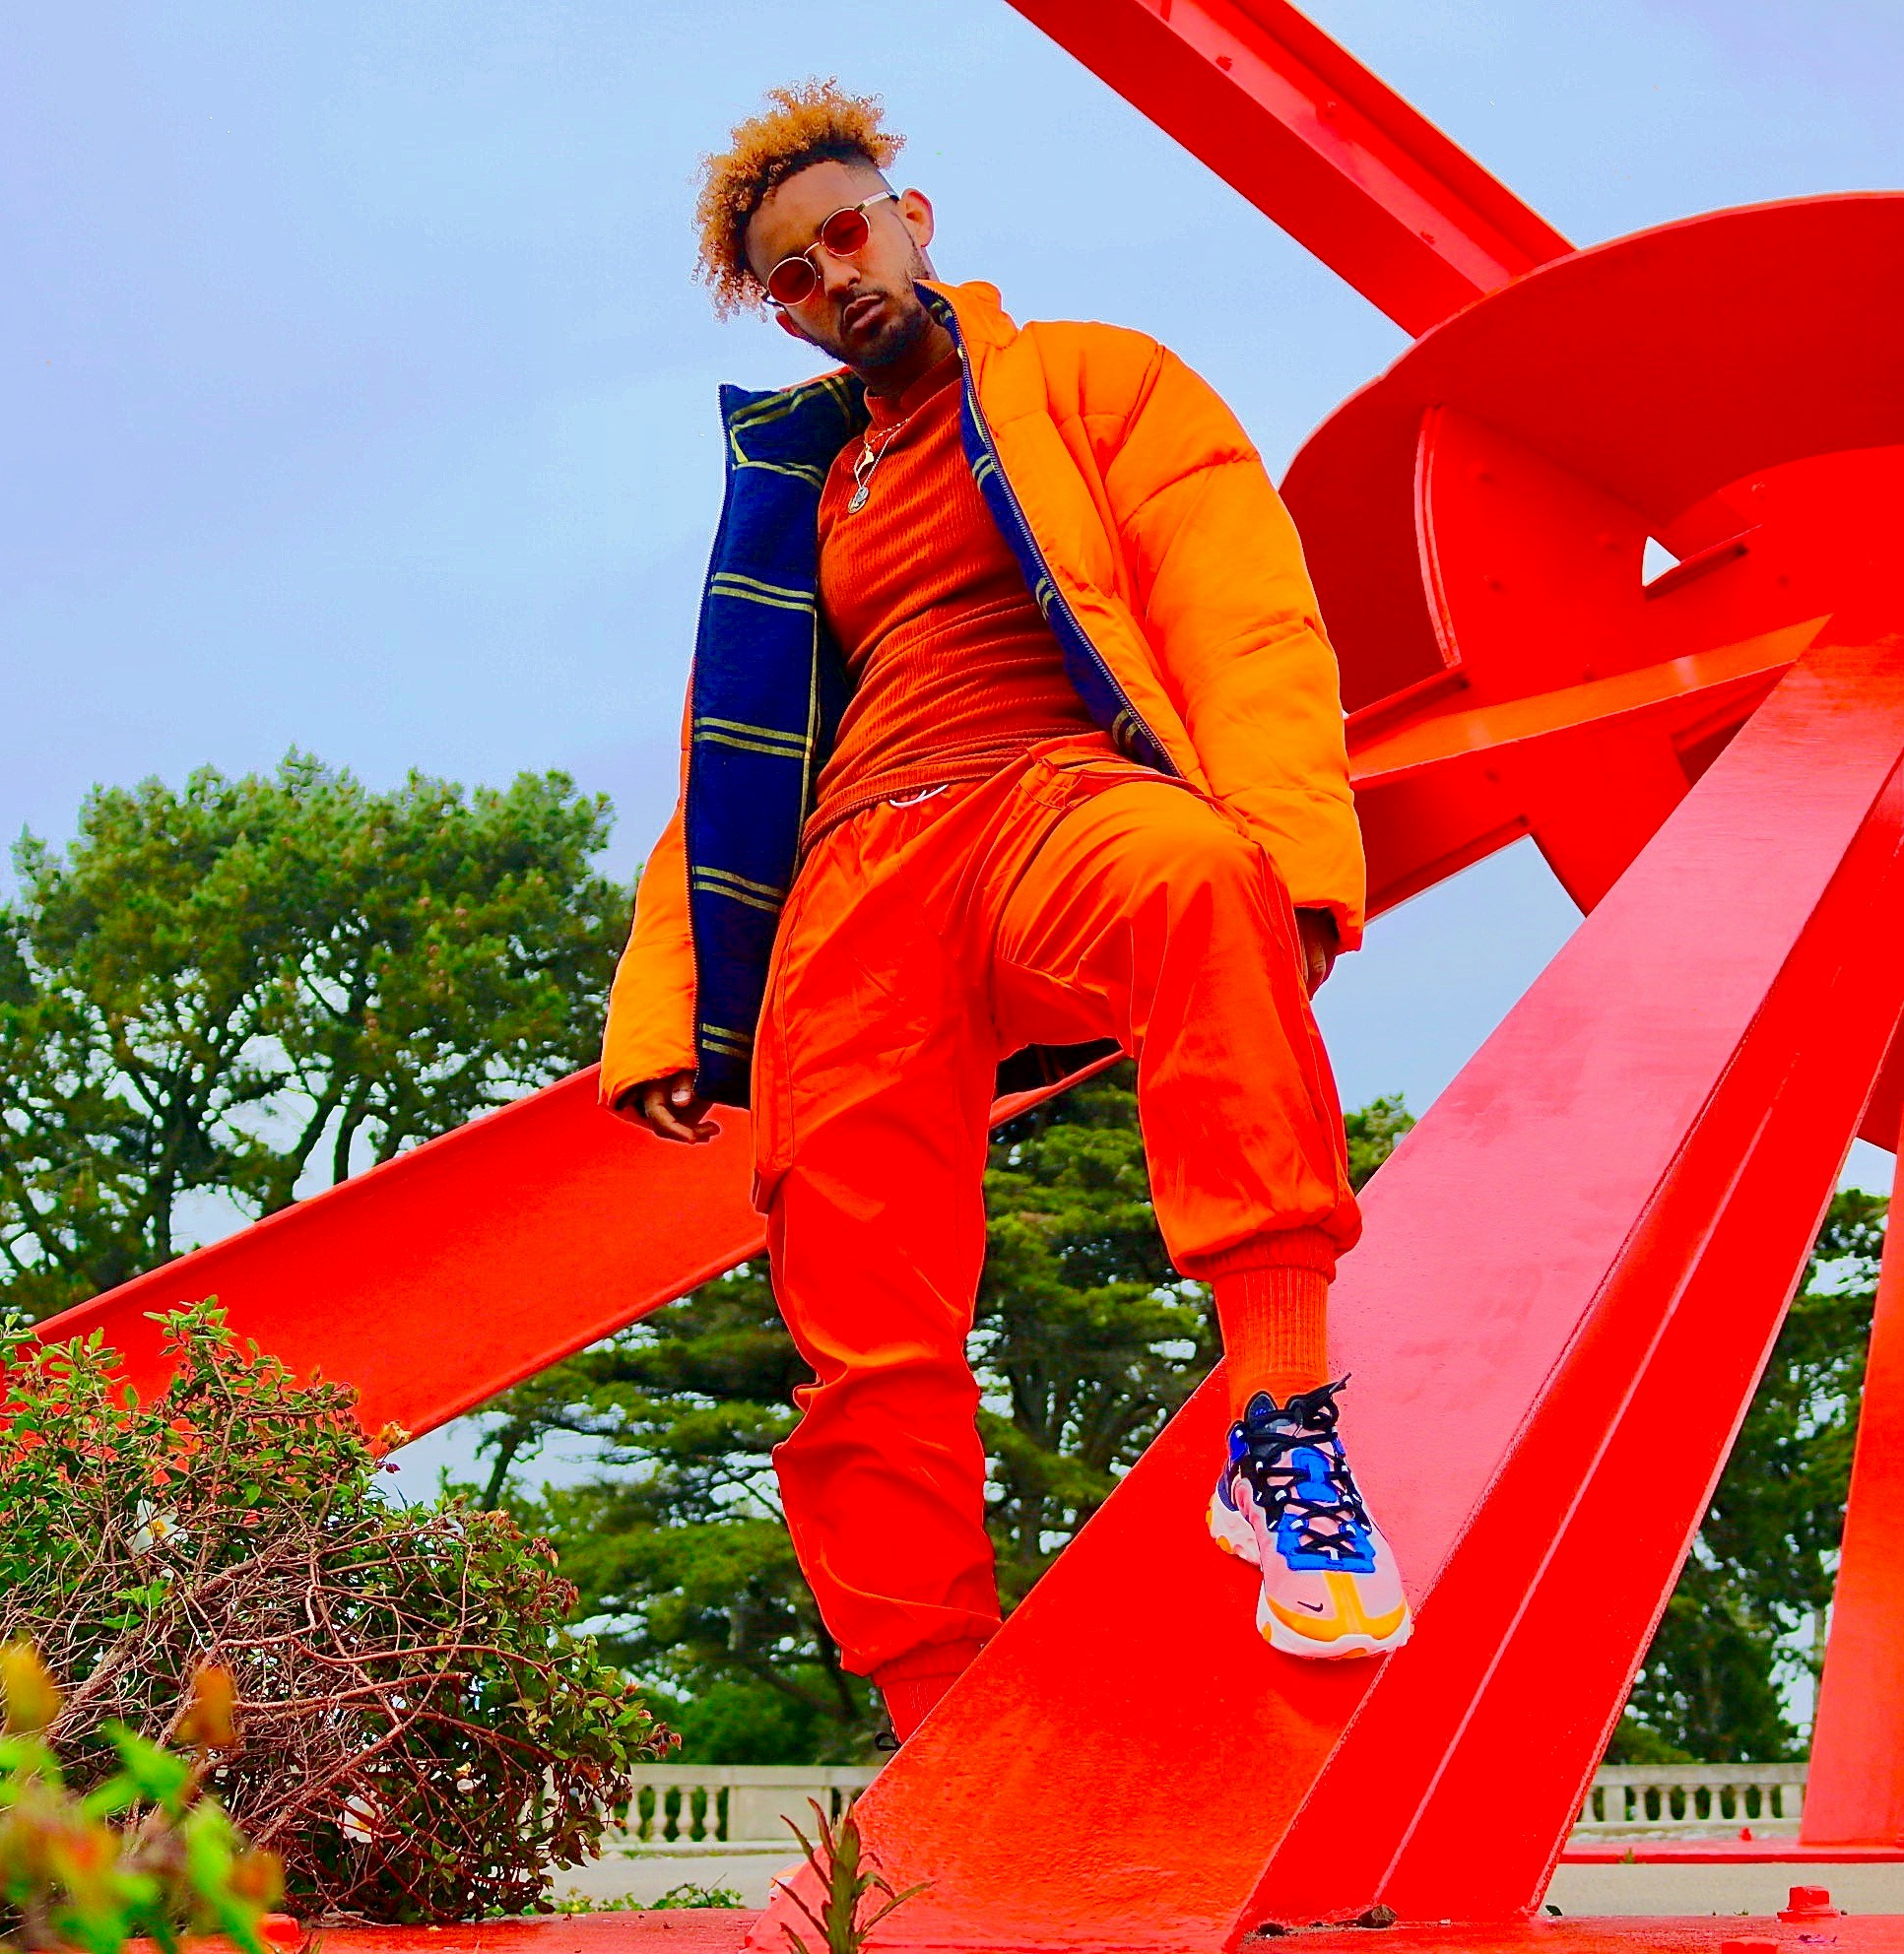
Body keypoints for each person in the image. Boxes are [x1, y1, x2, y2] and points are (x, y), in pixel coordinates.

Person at [601, 81, 1409, 1745]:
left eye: (849, 231)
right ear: (780, 309)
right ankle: (939, 1718)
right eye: (796, 275)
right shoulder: (797, 497)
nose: (837, 277)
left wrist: (1290, 855)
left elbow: (1241, 609)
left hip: (1049, 797)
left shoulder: (1095, 382)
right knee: (852, 1291)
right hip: (856, 884)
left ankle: (1286, 1435)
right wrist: (672, 999)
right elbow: (728, 756)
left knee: (1192, 874)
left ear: (912, 214)